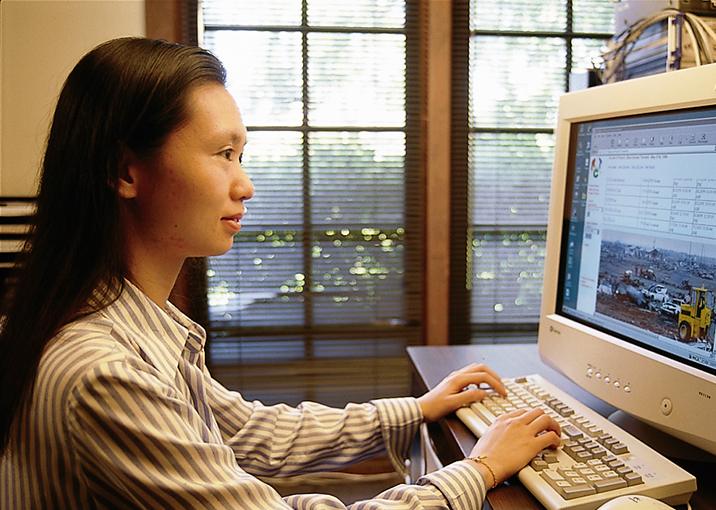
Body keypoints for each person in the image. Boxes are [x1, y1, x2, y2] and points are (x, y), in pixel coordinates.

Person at [0, 37, 561, 509]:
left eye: (241, 157)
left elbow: (247, 433)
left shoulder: (127, 323)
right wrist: (481, 468)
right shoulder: (105, 373)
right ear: (125, 170)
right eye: (223, 154)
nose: (244, 186)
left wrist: (417, 409)